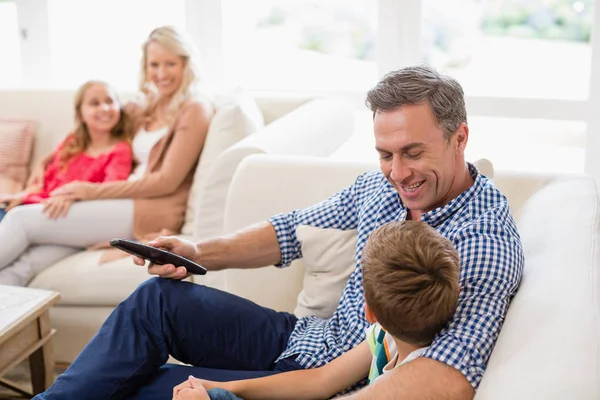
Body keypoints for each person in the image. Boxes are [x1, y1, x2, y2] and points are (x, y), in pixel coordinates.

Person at [34, 65, 524, 400]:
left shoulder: (481, 242)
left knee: (142, 386)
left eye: (413, 153)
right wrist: (199, 250)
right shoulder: (382, 186)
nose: (397, 173)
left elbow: (449, 378)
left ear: (459, 136)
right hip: (309, 339)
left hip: (328, 380)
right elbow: (293, 229)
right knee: (156, 299)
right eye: (385, 153)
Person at [0, 26, 213, 284]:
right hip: (124, 201)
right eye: (153, 65)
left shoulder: (195, 109)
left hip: (149, 208)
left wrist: (89, 191)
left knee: (21, 220)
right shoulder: (148, 105)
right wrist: (36, 178)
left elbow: (167, 180)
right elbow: (86, 131)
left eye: (170, 64)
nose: (161, 74)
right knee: (28, 262)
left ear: (186, 64)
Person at [171, 220, 461, 400]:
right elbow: (320, 381)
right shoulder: (387, 338)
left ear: (368, 312)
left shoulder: (409, 386)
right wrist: (228, 386)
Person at [0, 80, 134, 285]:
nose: (104, 108)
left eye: (110, 101)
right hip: (41, 208)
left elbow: (108, 192)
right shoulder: (73, 142)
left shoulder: (120, 151)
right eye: (95, 103)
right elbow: (48, 170)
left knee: (24, 266)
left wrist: (73, 198)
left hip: (67, 217)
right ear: (80, 114)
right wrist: (30, 187)